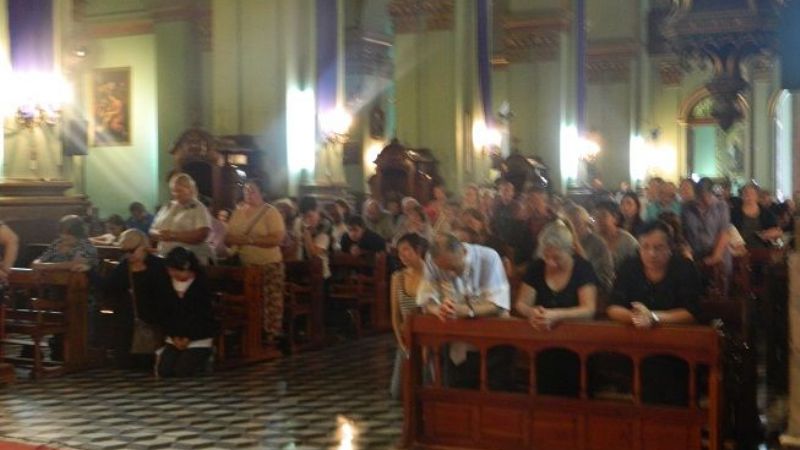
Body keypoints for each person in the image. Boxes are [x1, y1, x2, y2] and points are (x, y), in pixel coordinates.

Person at [607, 221, 701, 405]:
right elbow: (613, 307)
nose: (651, 254)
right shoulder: (630, 267)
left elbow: (691, 312)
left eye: (659, 248)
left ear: (670, 247)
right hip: (636, 346)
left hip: (678, 350)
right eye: (646, 247)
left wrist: (653, 317)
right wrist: (638, 318)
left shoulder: (684, 268)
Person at [416, 233, 510, 389]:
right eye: (443, 269)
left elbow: (498, 304)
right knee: (454, 390)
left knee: (491, 392)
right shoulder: (432, 260)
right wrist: (438, 309)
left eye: (452, 267)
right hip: (453, 337)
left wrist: (467, 310)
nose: (450, 273)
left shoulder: (488, 258)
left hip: (490, 338)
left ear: (462, 250)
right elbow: (426, 299)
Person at [514, 220, 598, 397]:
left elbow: (588, 309)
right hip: (543, 344)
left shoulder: (582, 268)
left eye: (556, 258)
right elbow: (521, 304)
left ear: (570, 251)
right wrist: (532, 312)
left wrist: (556, 315)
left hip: (577, 347)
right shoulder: (537, 267)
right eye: (546, 256)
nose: (550, 263)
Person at [226, 180, 287, 343]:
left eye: (252, 190)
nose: (248, 193)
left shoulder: (270, 212)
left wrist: (250, 240)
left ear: (262, 193)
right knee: (251, 300)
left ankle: (271, 333)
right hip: (246, 265)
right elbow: (228, 236)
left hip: (268, 264)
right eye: (246, 190)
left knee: (270, 299)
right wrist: (237, 240)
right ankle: (251, 331)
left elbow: (277, 238)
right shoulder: (238, 212)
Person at [102, 229, 168, 369]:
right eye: (124, 251)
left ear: (143, 247)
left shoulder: (158, 265)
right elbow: (107, 287)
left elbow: (164, 295)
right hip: (129, 318)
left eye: (131, 251)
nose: (128, 255)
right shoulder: (124, 267)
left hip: (153, 317)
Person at [155, 247, 218, 378]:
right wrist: (174, 337)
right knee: (164, 371)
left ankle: (206, 356)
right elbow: (165, 313)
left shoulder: (201, 284)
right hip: (175, 336)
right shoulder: (166, 283)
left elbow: (203, 316)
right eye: (170, 270)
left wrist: (188, 338)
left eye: (176, 270)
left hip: (198, 336)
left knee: (182, 370)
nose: (173, 274)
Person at [389, 233, 427, 399]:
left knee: (426, 387)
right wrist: (402, 342)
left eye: (406, 250)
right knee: (398, 392)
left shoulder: (431, 275)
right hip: (407, 337)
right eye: (399, 252)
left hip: (427, 338)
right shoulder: (398, 278)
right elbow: (396, 316)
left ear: (417, 250)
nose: (402, 255)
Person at [150, 173, 213, 265]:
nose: (176, 194)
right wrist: (160, 234)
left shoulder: (198, 208)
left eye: (179, 191)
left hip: (189, 259)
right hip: (165, 256)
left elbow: (202, 234)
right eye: (173, 191)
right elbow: (152, 229)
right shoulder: (167, 206)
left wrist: (173, 235)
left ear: (190, 189)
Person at [682, 178, 732, 277]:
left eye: (705, 197)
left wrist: (714, 257)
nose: (702, 202)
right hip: (694, 254)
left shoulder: (721, 206)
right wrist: (687, 252)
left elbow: (724, 233)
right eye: (699, 198)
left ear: (711, 194)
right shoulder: (687, 207)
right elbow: (684, 232)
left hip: (718, 254)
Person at [564, 204, 613, 292]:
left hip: (592, 289)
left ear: (586, 223)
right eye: (569, 225)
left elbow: (606, 277)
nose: (573, 228)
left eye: (577, 223)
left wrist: (582, 255)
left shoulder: (598, 244)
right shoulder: (563, 241)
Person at [33, 215, 98, 272]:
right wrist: (37, 263)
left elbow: (76, 264)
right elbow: (39, 261)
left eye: (68, 234)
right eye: (62, 233)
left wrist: (46, 266)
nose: (64, 236)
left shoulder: (85, 245)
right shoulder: (57, 243)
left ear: (78, 234)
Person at [731, 183, 782, 249]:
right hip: (740, 249)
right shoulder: (734, 213)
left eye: (752, 193)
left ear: (757, 197)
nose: (748, 196)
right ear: (742, 196)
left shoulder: (766, 213)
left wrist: (769, 234)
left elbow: (777, 231)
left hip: (762, 249)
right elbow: (728, 230)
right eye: (745, 193)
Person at [593, 200, 639, 272]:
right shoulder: (592, 241)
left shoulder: (628, 242)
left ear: (615, 218)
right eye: (595, 216)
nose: (598, 219)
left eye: (603, 215)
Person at [293, 196, 332, 279]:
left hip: (319, 273)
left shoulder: (324, 226)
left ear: (317, 212)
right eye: (303, 216)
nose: (306, 219)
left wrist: (306, 231)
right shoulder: (298, 222)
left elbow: (314, 253)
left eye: (310, 216)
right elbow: (295, 246)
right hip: (300, 269)